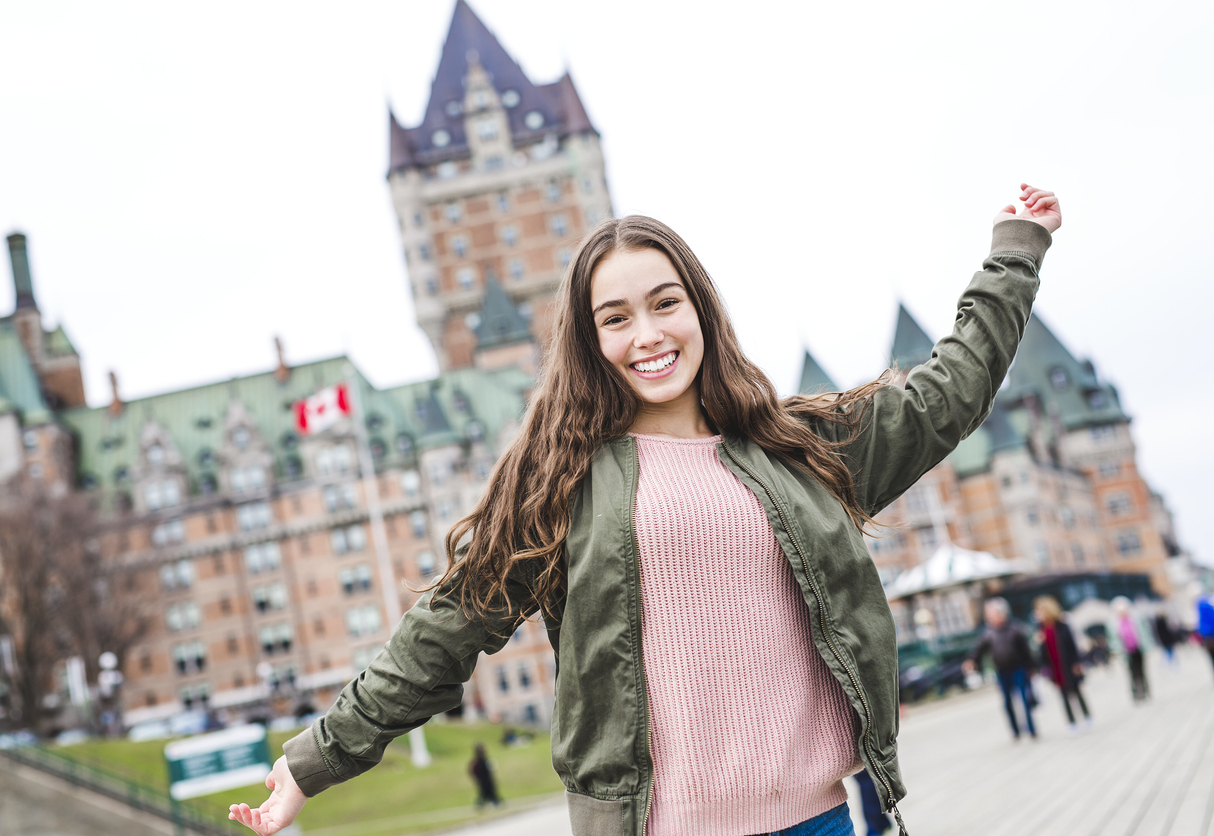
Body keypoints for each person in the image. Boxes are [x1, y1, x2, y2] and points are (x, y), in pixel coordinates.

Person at [229, 185, 1060, 836]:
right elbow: (442, 631)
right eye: (615, 318)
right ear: (591, 343)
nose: (647, 334)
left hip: (819, 822)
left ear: (699, 308)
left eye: (665, 303)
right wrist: (312, 762)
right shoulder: (557, 483)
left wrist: (1013, 251)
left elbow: (950, 392)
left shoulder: (797, 449)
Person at [964, 598, 1039, 740]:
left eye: (990, 613)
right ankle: (1015, 730)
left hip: (1018, 668)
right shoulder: (988, 633)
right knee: (1007, 702)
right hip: (1002, 671)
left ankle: (1031, 728)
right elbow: (979, 650)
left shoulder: (1016, 629)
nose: (988, 617)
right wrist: (972, 661)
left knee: (1024, 698)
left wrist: (1031, 667)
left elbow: (1026, 651)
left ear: (1001, 613)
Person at [1033, 595, 1092, 734]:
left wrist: (1077, 663)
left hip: (1069, 664)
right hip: (1056, 668)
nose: (1037, 614)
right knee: (1063, 696)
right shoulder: (1041, 630)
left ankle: (1087, 717)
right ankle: (1071, 722)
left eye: (1040, 611)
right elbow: (1042, 654)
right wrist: (1038, 644)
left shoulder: (1062, 626)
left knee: (1077, 692)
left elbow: (1072, 646)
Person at [1113, 597, 1150, 702]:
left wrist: (1146, 646)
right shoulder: (1115, 624)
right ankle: (1136, 693)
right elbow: (1114, 640)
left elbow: (1143, 633)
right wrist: (1118, 650)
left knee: (1142, 671)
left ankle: (1145, 691)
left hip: (1138, 649)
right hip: (1126, 652)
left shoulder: (1135, 619)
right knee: (1132, 673)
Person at [468, 743, 501, 809]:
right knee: (484, 793)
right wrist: (475, 778)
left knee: (491, 791)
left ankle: (496, 802)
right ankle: (481, 804)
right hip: (482, 779)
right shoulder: (476, 761)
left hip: (488, 779)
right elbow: (471, 770)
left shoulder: (485, 759)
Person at [1195, 595, 1214, 679]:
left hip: (1207, 642)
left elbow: (1200, 631)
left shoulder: (1200, 617)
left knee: (1212, 658)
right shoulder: (1211, 612)